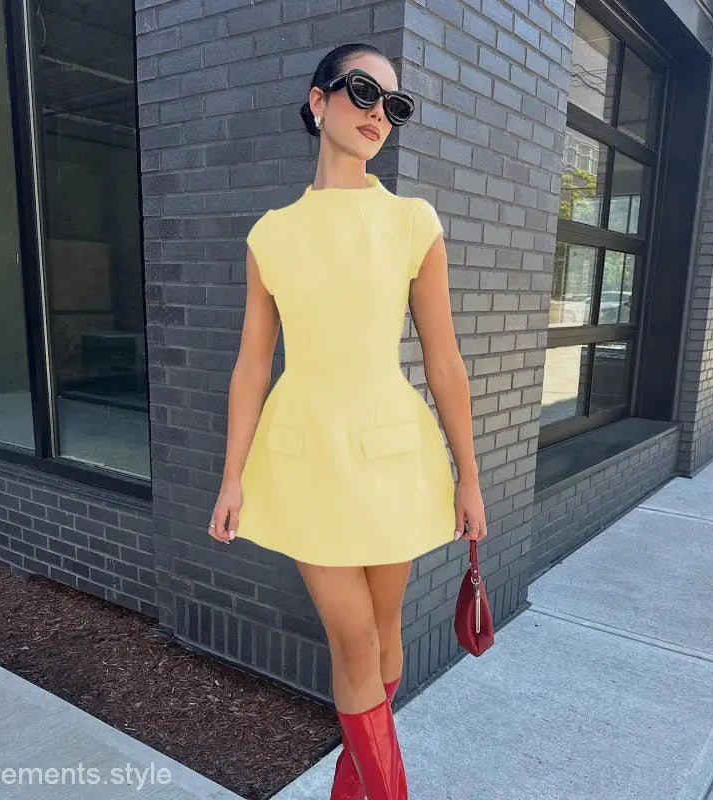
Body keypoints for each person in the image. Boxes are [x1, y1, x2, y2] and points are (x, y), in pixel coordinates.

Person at [207, 42, 487, 800]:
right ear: (318, 100)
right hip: (303, 461)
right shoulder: (270, 235)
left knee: (384, 636)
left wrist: (470, 478)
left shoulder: (411, 222)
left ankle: (352, 784)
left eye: (394, 106)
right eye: (364, 92)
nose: (378, 115)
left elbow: (446, 363)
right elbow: (251, 366)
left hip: (393, 456)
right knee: (354, 637)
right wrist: (231, 477)